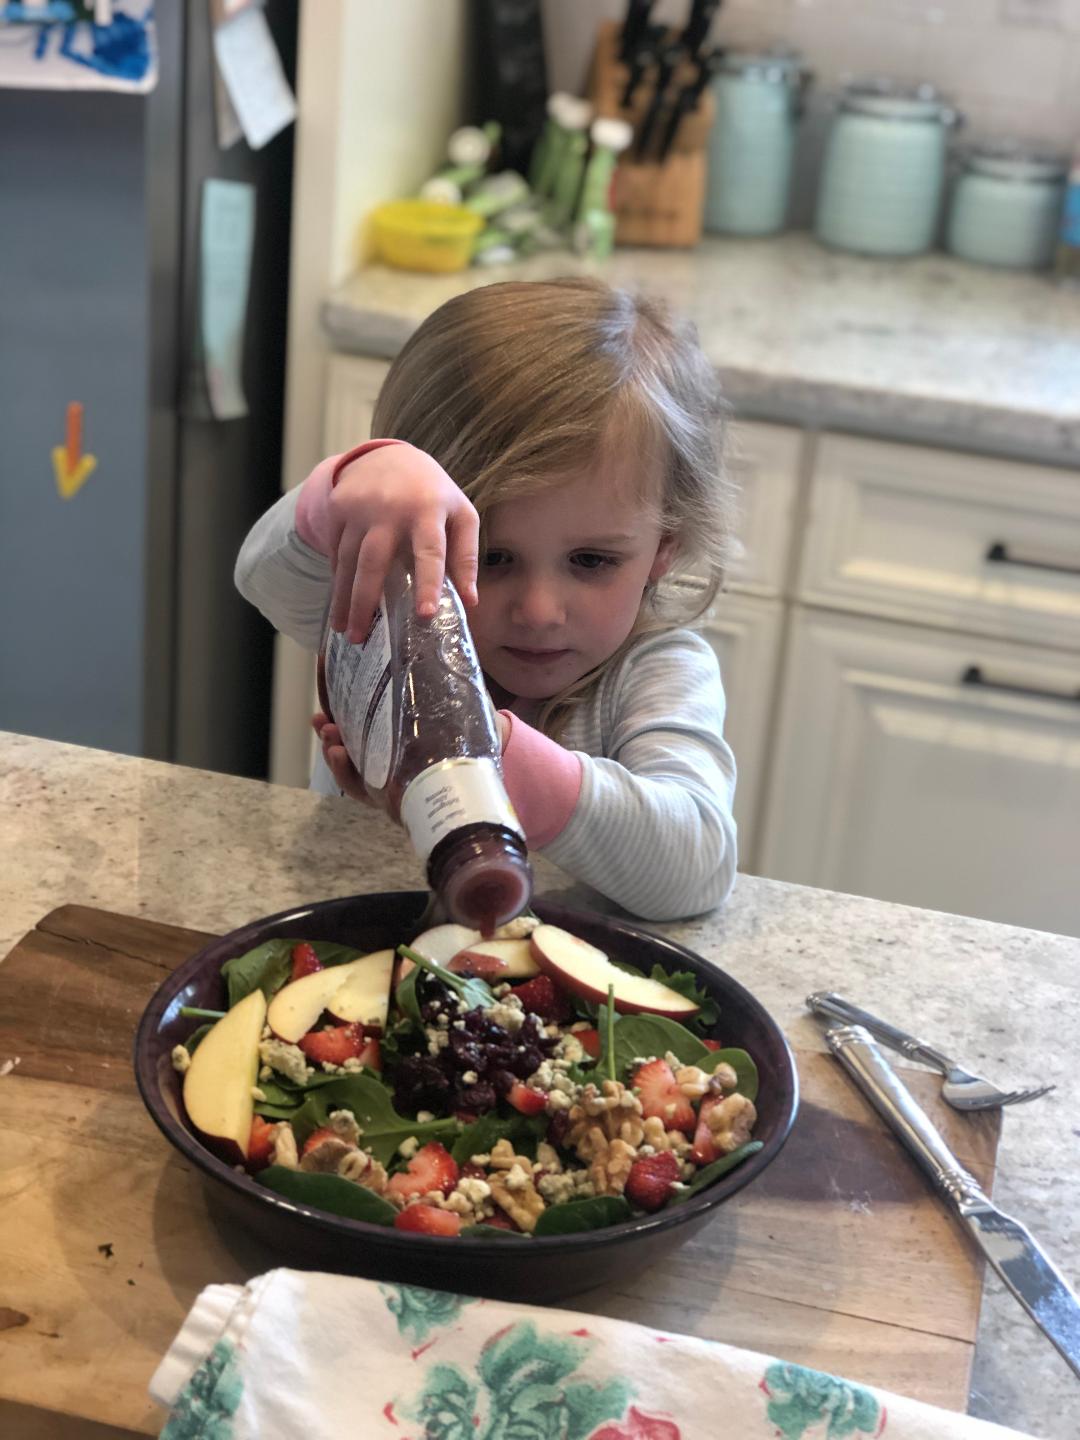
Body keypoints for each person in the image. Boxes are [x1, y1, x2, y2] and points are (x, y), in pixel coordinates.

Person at [235, 277, 740, 921]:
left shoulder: (656, 671)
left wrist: (481, 755)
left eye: (591, 561)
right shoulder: (395, 619)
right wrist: (354, 484)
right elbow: (263, 576)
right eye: (490, 557)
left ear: (663, 548)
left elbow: (696, 864)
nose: (537, 610)